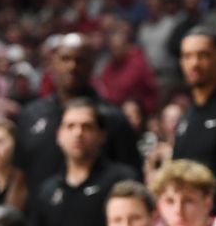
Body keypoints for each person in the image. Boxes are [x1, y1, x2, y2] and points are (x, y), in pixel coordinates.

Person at [15, 33, 141, 203]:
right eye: (65, 59)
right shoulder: (30, 115)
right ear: (53, 63)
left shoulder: (114, 119)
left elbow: (131, 183)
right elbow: (19, 180)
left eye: (81, 60)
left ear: (92, 65)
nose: (72, 66)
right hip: (41, 222)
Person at [29, 98, 138, 226]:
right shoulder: (47, 190)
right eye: (70, 126)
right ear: (59, 135)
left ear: (102, 135)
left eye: (87, 126)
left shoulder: (122, 179)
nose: (78, 133)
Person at [172, 27, 216, 217]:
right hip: (190, 222)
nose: (194, 63)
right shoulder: (186, 117)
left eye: (203, 55)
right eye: (187, 56)